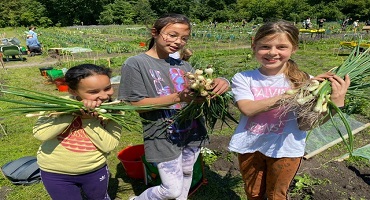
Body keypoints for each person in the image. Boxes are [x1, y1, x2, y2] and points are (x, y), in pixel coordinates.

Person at [228, 20, 350, 200]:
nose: (272, 52)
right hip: (250, 146)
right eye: (265, 46)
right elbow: (248, 108)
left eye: (281, 47)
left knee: (277, 195)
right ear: (254, 45)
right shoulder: (244, 78)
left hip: (286, 149)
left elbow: (307, 124)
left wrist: (335, 105)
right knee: (253, 193)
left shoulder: (305, 81)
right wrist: (293, 94)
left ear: (294, 48)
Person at [118, 13, 229, 200]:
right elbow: (136, 104)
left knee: (187, 172)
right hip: (163, 135)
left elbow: (200, 86)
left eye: (184, 38)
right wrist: (178, 97)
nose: (178, 42)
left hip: (192, 130)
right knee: (171, 190)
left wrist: (221, 82)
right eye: (172, 35)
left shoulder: (184, 65)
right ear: (155, 32)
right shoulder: (136, 63)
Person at [33, 64, 122, 200]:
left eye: (108, 88)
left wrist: (89, 120)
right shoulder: (56, 106)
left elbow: (109, 145)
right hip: (56, 173)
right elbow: (41, 133)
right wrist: (72, 113)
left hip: (94, 170)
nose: (104, 96)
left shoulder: (114, 110)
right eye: (93, 92)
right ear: (73, 91)